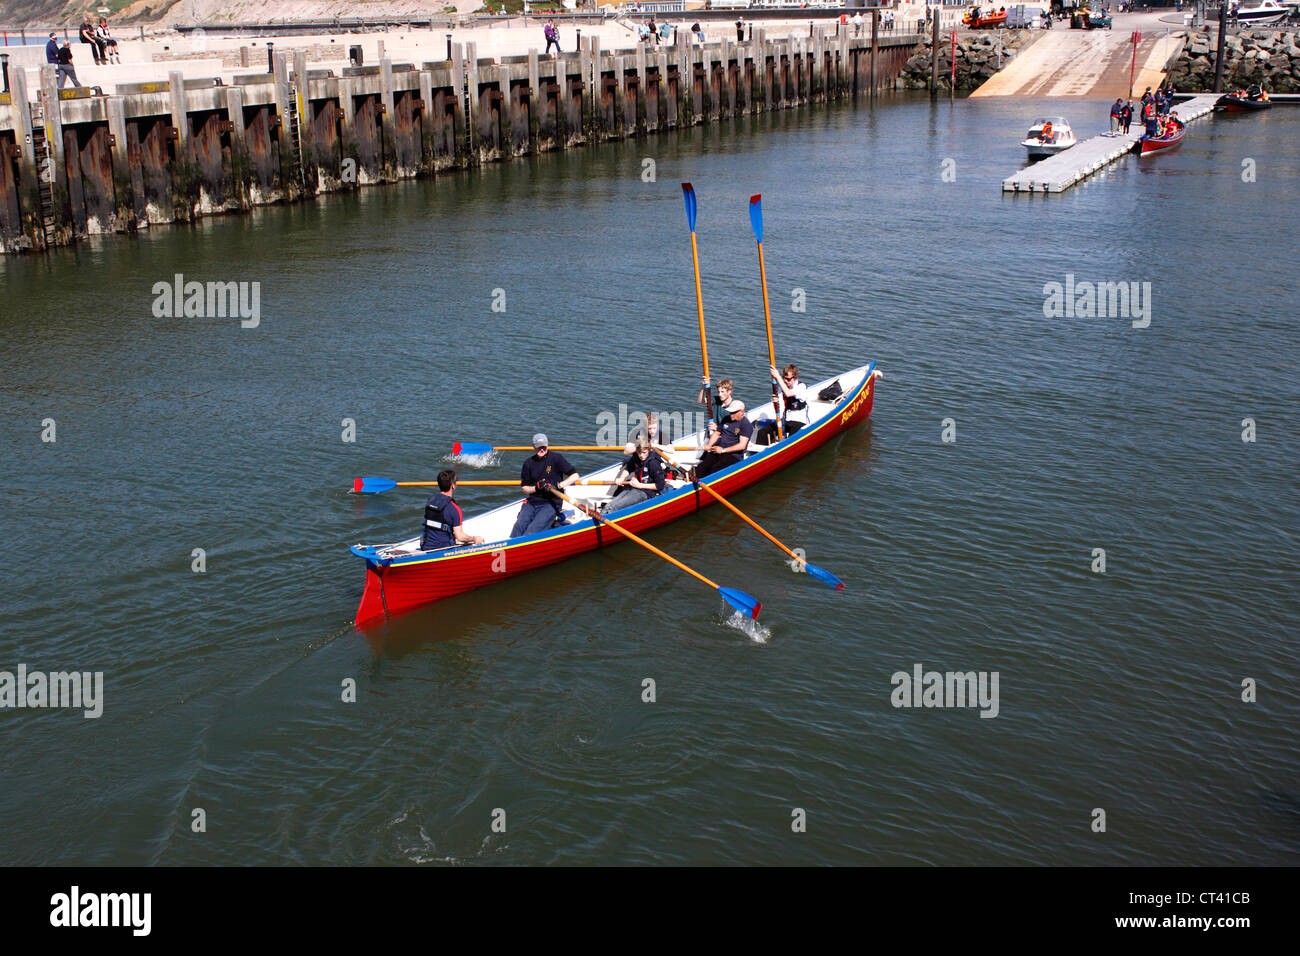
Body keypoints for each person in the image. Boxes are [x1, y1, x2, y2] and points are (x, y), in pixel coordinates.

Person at [509, 434, 581, 537]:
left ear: (547, 445)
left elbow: (575, 476)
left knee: (531, 532)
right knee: (518, 528)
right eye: (539, 447)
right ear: (533, 447)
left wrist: (558, 485)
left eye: (543, 446)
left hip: (551, 503)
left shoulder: (556, 459)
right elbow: (525, 488)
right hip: (532, 503)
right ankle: (512, 547)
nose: (541, 449)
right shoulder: (528, 463)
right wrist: (536, 487)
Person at [420, 470, 485, 551]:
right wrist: (474, 538)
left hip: (426, 547)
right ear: (453, 486)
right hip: (443, 550)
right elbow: (460, 536)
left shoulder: (430, 501)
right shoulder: (454, 508)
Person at [696, 400, 753, 478]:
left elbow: (742, 446)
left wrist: (723, 450)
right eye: (730, 412)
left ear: (741, 412)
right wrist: (709, 445)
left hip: (733, 456)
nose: (731, 415)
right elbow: (717, 433)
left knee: (714, 471)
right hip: (718, 450)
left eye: (733, 413)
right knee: (700, 468)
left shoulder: (746, 425)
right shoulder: (726, 419)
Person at [605, 440, 666, 513]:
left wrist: (640, 485)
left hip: (646, 492)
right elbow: (628, 468)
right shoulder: (636, 457)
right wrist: (621, 478)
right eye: (639, 452)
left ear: (649, 450)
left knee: (612, 507)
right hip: (635, 487)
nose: (641, 455)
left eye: (644, 452)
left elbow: (660, 485)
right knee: (608, 506)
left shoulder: (653, 463)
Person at [770, 363, 810, 438]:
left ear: (794, 378)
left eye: (788, 379)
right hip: (787, 421)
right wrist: (775, 402)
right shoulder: (781, 388)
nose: (786, 381)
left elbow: (788, 393)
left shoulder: (801, 387)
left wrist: (778, 377)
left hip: (800, 423)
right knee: (763, 431)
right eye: (784, 378)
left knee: (791, 436)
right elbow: (779, 410)